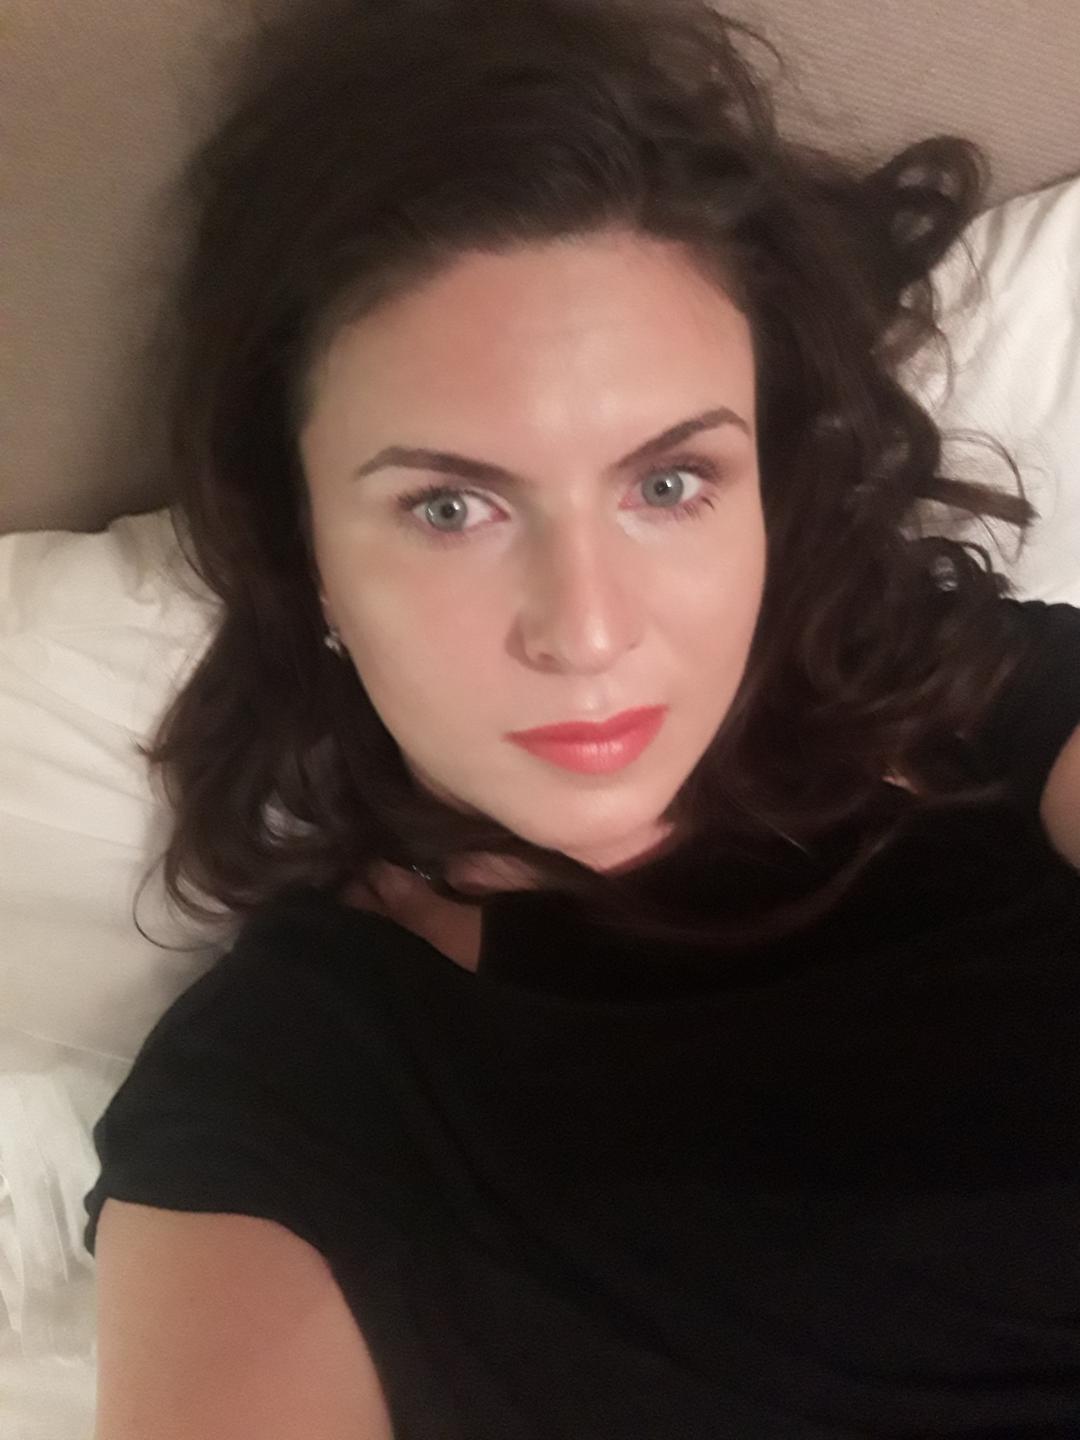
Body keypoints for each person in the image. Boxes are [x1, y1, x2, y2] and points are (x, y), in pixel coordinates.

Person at [82, 0, 1080, 1435]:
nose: (588, 632)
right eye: (450, 507)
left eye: (668, 483)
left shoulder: (990, 696)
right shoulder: (283, 1104)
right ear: (302, 553)